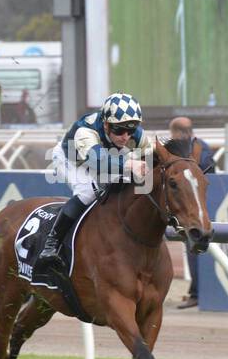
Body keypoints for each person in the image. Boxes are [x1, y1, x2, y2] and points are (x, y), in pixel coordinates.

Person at [38, 92, 148, 266]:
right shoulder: (85, 131)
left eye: (131, 130)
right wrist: (130, 164)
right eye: (119, 130)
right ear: (105, 125)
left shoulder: (137, 136)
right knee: (87, 191)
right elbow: (98, 162)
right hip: (72, 158)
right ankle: (51, 245)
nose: (126, 136)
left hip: (102, 157)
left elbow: (151, 154)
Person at [169, 116, 217, 309]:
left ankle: (197, 293)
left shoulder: (196, 150)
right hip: (195, 207)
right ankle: (194, 291)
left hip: (197, 208)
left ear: (178, 133)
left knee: (194, 248)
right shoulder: (201, 147)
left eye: (173, 133)